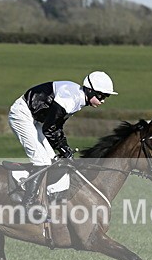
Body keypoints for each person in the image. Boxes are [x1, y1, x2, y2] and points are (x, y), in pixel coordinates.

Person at [8, 71, 117, 207]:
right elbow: (49, 128)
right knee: (41, 161)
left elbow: (57, 126)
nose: (103, 100)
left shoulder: (78, 99)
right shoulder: (71, 98)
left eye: (105, 97)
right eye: (101, 96)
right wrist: (62, 148)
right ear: (89, 90)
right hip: (22, 114)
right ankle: (27, 204)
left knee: (53, 160)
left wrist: (65, 148)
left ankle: (49, 200)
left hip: (36, 119)